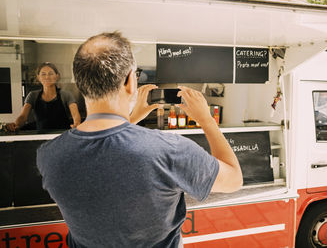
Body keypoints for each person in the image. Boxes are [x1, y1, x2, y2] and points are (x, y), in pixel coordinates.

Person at [36, 32, 242, 248]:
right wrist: (207, 121)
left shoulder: (49, 155)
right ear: (130, 82)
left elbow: (106, 150)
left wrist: (131, 118)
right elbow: (234, 179)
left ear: (79, 82)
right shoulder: (168, 149)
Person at [7, 62, 81, 131]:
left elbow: (75, 115)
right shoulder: (32, 95)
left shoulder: (66, 95)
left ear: (57, 76)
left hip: (62, 136)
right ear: (38, 77)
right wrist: (16, 124)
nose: (47, 77)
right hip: (40, 137)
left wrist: (76, 124)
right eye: (43, 74)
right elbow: (23, 116)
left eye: (51, 74)